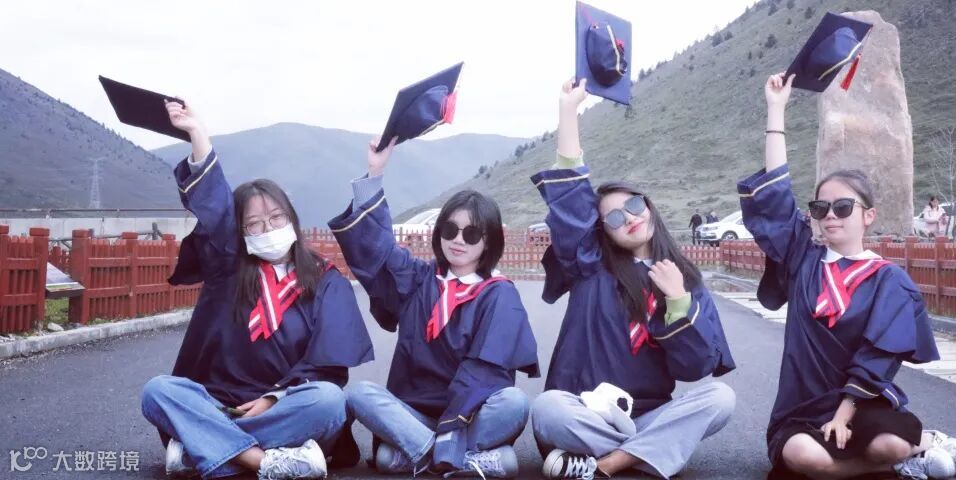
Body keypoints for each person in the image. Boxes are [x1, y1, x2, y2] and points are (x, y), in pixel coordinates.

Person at [739, 73, 956, 480]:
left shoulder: (889, 280)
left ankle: (919, 444)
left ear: (868, 215)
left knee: (888, 443)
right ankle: (901, 463)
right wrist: (776, 110)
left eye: (843, 207)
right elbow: (776, 198)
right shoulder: (803, 260)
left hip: (862, 401)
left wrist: (844, 413)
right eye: (820, 208)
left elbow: (878, 356)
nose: (830, 216)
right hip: (802, 407)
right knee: (805, 458)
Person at [141, 101, 374, 480]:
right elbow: (216, 210)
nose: (268, 229)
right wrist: (198, 134)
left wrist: (272, 399)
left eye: (276, 218)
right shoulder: (228, 267)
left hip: (287, 405)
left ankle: (204, 448)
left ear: (292, 218)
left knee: (329, 401)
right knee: (158, 391)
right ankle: (263, 461)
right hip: (219, 403)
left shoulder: (326, 279)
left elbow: (327, 365)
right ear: (241, 231)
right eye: (254, 224)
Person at [529, 79, 736, 480]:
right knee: (546, 408)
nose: (629, 218)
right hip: (584, 413)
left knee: (720, 399)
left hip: (648, 415)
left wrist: (677, 301)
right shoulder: (589, 266)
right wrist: (568, 111)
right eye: (613, 217)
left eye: (635, 205)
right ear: (602, 232)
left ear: (650, 207)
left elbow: (694, 368)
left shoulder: (686, 281)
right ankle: (649, 452)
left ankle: (605, 464)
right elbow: (571, 200)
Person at [334, 137, 539, 478]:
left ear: (489, 241)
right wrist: (375, 174)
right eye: (450, 229)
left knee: (514, 403)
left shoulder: (499, 294)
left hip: (470, 416)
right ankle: (453, 457)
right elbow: (379, 249)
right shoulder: (419, 278)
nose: (458, 239)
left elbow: (485, 372)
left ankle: (420, 453)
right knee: (359, 394)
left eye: (472, 234)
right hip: (414, 414)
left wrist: (452, 427)